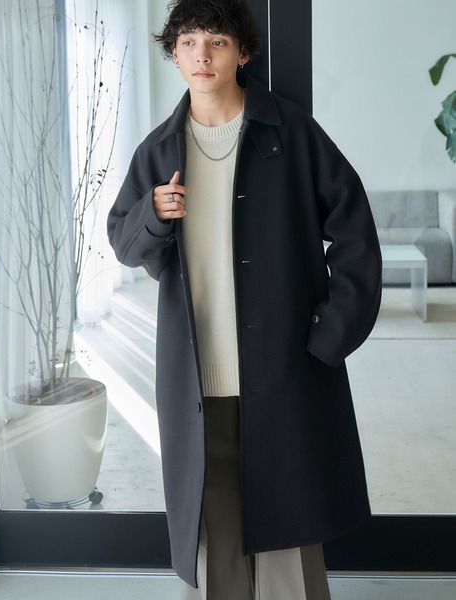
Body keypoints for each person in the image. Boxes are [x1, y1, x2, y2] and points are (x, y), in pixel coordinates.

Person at [107, 0, 382, 598]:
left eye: (217, 41)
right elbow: (124, 244)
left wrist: (331, 335)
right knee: (212, 517)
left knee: (290, 512)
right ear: (173, 54)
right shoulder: (158, 151)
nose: (201, 55)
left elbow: (356, 231)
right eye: (187, 42)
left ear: (243, 52)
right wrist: (153, 213)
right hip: (195, 370)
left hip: (285, 363)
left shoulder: (292, 133)